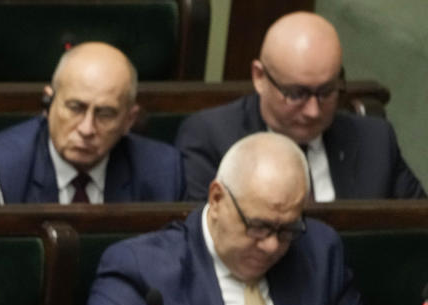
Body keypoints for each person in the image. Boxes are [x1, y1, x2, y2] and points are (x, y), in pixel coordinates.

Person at [70, 131, 379, 305]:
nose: (271, 246)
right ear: (217, 199)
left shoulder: (321, 253)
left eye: (287, 230)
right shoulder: (141, 268)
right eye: (258, 226)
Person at [176, 11, 425, 202]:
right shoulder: (210, 138)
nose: (313, 111)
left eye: (326, 92)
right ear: (259, 77)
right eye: (297, 94)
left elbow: (415, 233)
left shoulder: (376, 141)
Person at [0, 42, 183, 205]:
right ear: (48, 105)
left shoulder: (162, 171)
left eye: (105, 114)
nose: (86, 129)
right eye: (75, 108)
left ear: (128, 120)